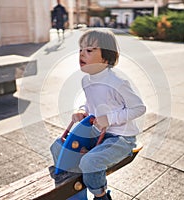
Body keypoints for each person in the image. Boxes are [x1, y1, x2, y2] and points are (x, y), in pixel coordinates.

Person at [50, 29, 146, 200]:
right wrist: (82, 110)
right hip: (98, 133)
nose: (82, 54)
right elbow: (90, 103)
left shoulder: (117, 82)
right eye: (80, 50)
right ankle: (68, 184)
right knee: (58, 147)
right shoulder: (86, 80)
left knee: (90, 161)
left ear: (106, 56)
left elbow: (139, 108)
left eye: (89, 50)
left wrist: (110, 119)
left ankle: (101, 196)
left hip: (122, 138)